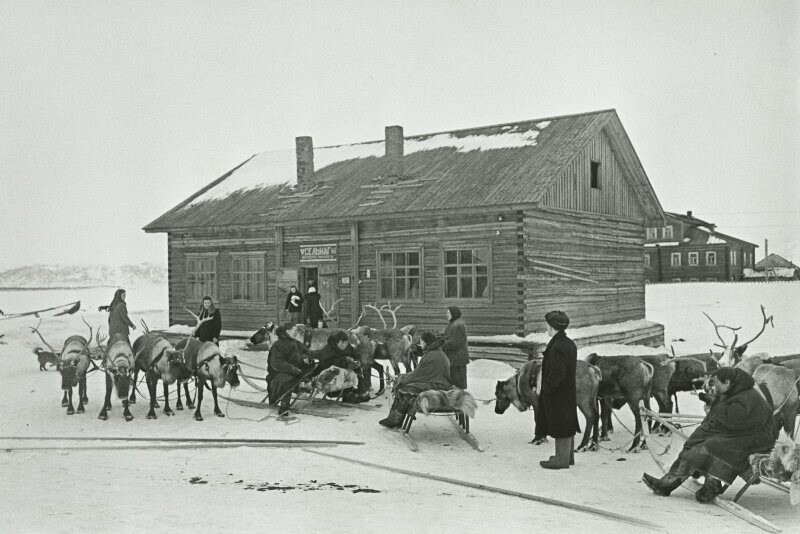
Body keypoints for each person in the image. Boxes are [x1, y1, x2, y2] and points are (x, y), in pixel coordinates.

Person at [642, 367, 775, 502]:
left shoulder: (748, 397)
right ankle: (669, 483)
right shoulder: (736, 391)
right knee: (698, 442)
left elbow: (734, 421)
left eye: (718, 385)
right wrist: (716, 400)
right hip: (739, 434)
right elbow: (728, 418)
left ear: (727, 382)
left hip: (757, 439)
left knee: (708, 447)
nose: (716, 388)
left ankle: (710, 485)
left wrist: (716, 403)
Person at [379, 332, 452, 428]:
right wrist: (403, 376)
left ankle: (395, 419)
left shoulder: (430, 356)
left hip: (437, 385)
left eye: (421, 341)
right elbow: (420, 373)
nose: (420, 344)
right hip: (438, 383)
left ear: (425, 342)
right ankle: (394, 417)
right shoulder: (437, 352)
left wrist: (402, 379)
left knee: (404, 390)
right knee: (406, 387)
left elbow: (418, 375)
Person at [537, 310, 580, 470]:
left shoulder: (558, 346)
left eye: (547, 325)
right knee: (567, 422)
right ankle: (568, 456)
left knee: (561, 423)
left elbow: (557, 373)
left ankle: (561, 460)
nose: (546, 328)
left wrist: (547, 388)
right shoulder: (568, 343)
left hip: (559, 393)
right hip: (567, 392)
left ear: (553, 326)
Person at [266, 326, 314, 417]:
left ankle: (304, 386)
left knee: (308, 373)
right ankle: (284, 406)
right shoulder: (278, 345)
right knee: (285, 380)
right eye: (294, 330)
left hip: (296, 371)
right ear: (287, 331)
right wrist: (292, 368)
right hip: (280, 372)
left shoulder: (296, 343)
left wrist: (306, 359)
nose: (296, 332)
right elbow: (277, 362)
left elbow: (305, 352)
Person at [442, 306, 469, 389]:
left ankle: (459, 398)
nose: (446, 315)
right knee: (455, 383)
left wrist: (442, 344)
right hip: (454, 359)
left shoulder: (457, 325)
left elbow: (455, 342)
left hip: (456, 360)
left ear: (453, 314)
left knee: (457, 384)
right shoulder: (454, 323)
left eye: (448, 313)